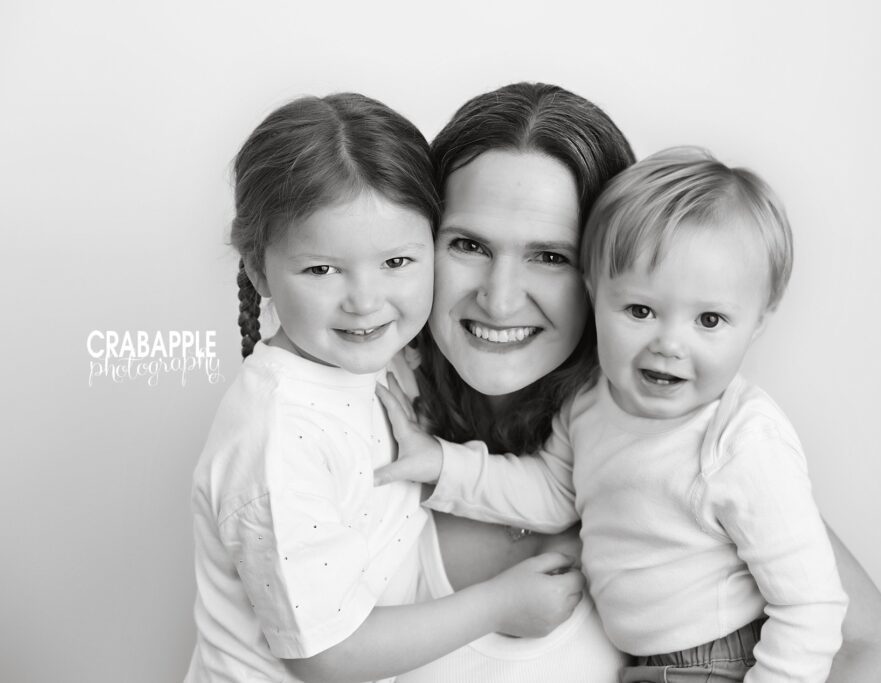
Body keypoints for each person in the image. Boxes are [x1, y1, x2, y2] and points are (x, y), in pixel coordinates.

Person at [379, 82, 881, 682]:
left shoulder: (701, 437)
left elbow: (865, 650)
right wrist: (436, 464)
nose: (501, 299)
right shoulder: (367, 421)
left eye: (551, 256)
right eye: (469, 244)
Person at [185, 92, 585, 683]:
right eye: (322, 269)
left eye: (396, 262)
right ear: (258, 269)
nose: (366, 301)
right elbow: (327, 657)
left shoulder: (365, 359)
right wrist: (502, 604)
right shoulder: (276, 439)